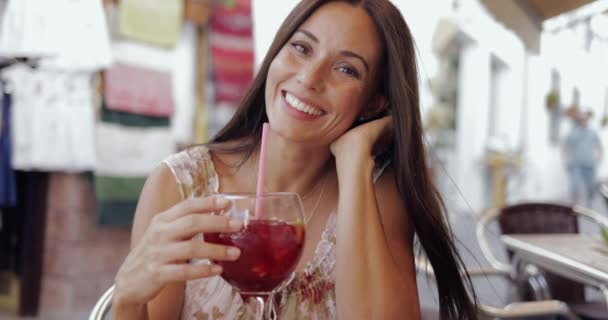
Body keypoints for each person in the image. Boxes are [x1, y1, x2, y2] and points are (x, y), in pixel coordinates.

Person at [112, 0, 478, 319]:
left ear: (374, 102)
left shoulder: (377, 199)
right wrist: (127, 299)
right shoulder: (180, 185)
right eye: (302, 48)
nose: (309, 77)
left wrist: (354, 162)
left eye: (346, 69)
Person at [563, 110, 603, 206]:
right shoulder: (573, 133)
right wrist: (565, 161)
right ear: (578, 120)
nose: (582, 121)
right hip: (576, 165)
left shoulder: (593, 132)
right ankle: (575, 208)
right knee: (575, 186)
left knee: (590, 187)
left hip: (590, 165)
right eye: (580, 119)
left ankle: (589, 204)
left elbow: (599, 146)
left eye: (584, 119)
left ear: (587, 120)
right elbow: (565, 147)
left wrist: (600, 158)